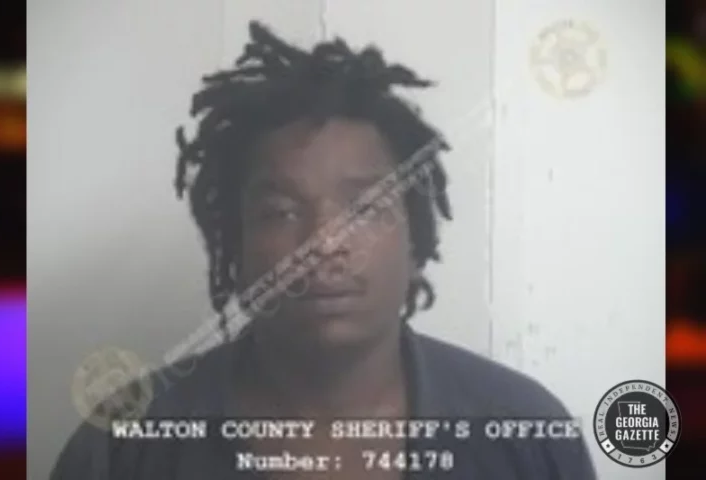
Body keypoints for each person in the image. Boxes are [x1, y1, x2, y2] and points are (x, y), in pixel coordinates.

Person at [50, 21, 597, 480]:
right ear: (234, 245)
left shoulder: (527, 435)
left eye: (365, 208)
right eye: (281, 212)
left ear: (416, 241)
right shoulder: (123, 449)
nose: (325, 243)